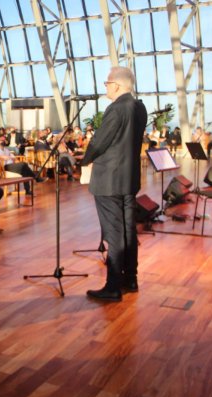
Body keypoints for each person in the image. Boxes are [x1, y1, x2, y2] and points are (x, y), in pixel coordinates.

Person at [80, 66, 147, 302]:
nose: (106, 87)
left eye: (107, 83)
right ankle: (130, 278)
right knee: (128, 229)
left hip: (109, 181)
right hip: (129, 179)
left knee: (114, 232)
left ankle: (112, 286)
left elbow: (99, 142)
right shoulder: (140, 108)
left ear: (116, 85)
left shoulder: (116, 108)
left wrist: (85, 159)